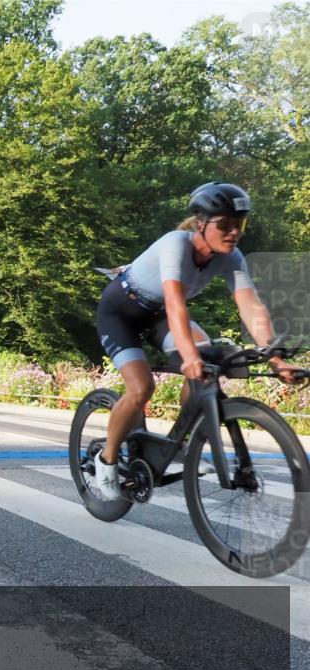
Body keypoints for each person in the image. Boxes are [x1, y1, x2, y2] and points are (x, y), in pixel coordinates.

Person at [94, 181, 300, 500]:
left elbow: (251, 304)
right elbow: (176, 303)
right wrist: (188, 357)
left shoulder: (231, 257)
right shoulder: (176, 244)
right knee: (141, 388)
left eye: (241, 224)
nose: (235, 232)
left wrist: (275, 359)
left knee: (207, 362)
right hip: (120, 313)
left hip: (159, 314)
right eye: (226, 224)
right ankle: (106, 460)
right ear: (201, 223)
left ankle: (181, 441)